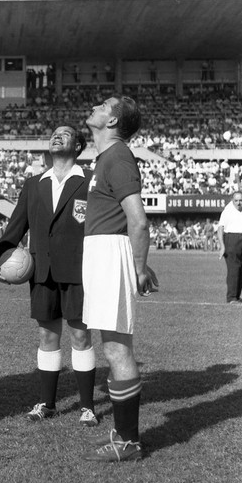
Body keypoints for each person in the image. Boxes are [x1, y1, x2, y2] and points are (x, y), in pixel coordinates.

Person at [0, 125, 98, 427]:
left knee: (80, 334)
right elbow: (16, 226)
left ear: (78, 146)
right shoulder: (33, 184)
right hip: (43, 272)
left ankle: (87, 406)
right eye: (54, 132)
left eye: (65, 133)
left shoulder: (90, 182)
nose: (57, 135)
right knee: (47, 335)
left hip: (79, 271)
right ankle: (47, 403)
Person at [82, 94, 158, 462]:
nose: (96, 107)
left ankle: (128, 441)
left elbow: (138, 219)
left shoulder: (119, 156)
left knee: (116, 348)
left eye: (103, 105)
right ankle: (124, 436)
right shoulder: (105, 158)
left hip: (110, 256)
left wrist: (138, 268)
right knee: (111, 345)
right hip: (103, 254)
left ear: (112, 121)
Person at [217, 191, 242, 303]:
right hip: (232, 239)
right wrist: (222, 246)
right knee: (234, 269)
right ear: (232, 200)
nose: (239, 203)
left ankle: (237, 296)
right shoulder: (227, 211)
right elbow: (220, 229)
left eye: (241, 200)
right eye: (236, 201)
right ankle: (231, 297)